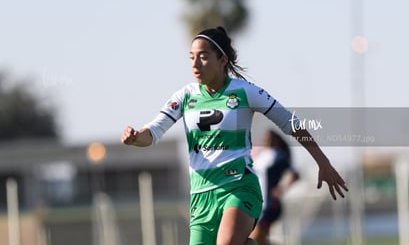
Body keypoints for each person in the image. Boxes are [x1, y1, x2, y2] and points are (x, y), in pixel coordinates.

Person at [121, 26, 348, 245]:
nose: (195, 63)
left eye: (203, 56)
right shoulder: (184, 97)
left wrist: (323, 162)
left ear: (222, 60)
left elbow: (291, 124)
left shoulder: (245, 92)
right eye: (191, 57)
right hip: (201, 197)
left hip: (239, 186)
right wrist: (136, 136)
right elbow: (153, 132)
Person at [250, 130, 300, 245]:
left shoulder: (278, 154)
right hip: (257, 203)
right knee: (260, 241)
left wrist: (282, 188)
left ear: (275, 140)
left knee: (254, 239)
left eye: (269, 137)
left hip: (270, 205)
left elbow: (295, 174)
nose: (266, 139)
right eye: (265, 137)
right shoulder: (261, 155)